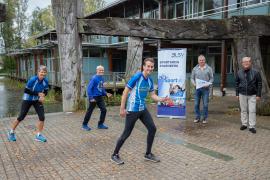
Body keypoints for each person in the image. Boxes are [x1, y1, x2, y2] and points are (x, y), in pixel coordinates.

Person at [111, 58, 169, 165]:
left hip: (142, 109)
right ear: (143, 66)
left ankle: (148, 154)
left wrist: (162, 99)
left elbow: (152, 95)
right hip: (132, 110)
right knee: (126, 133)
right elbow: (125, 92)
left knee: (152, 129)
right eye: (148, 66)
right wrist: (122, 109)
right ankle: (114, 154)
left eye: (152, 67)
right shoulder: (137, 77)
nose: (150, 68)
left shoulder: (150, 80)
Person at [7, 65, 49, 142]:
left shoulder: (45, 81)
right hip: (27, 99)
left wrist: (43, 96)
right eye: (41, 73)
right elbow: (26, 90)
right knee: (21, 117)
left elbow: (46, 91)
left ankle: (38, 135)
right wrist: (38, 94)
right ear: (38, 72)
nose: (42, 75)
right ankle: (11, 132)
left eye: (44, 73)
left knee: (42, 117)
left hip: (37, 100)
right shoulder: (33, 80)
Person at [236, 57, 262, 134]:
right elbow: (237, 83)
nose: (246, 63)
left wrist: (258, 94)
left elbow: (259, 84)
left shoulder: (256, 72)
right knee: (243, 110)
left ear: (250, 62)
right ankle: (244, 124)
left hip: (252, 94)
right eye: (244, 62)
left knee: (252, 110)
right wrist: (237, 94)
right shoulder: (239, 72)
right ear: (242, 63)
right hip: (242, 94)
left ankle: (252, 126)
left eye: (247, 61)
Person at [82, 65, 112, 131]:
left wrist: (106, 93)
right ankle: (84, 125)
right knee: (90, 111)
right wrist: (91, 98)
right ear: (97, 70)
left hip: (100, 97)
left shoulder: (101, 78)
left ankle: (100, 124)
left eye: (102, 70)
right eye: (100, 70)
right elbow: (89, 89)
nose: (101, 71)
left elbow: (101, 88)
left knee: (104, 110)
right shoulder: (94, 78)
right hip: (94, 97)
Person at [191, 55, 214, 124]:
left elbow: (212, 78)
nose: (201, 61)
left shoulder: (209, 68)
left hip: (205, 89)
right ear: (198, 61)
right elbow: (192, 78)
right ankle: (197, 117)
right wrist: (194, 83)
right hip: (197, 89)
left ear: (205, 60)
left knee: (205, 104)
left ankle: (204, 118)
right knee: (196, 104)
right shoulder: (195, 69)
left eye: (203, 60)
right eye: (200, 60)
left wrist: (209, 83)